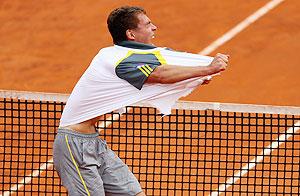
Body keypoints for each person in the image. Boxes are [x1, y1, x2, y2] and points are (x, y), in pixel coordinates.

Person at [53, 6, 229, 196]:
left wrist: (193, 78)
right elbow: (161, 75)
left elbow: (162, 73)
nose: (154, 27)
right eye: (147, 24)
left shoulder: (123, 56)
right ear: (131, 34)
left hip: (93, 142)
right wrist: (207, 69)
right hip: (74, 144)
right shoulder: (118, 61)